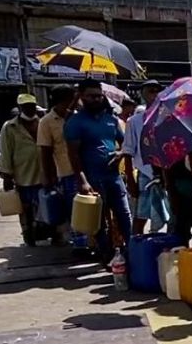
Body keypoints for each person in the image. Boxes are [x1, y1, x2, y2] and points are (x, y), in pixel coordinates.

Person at [65, 77, 132, 258]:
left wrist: (120, 154)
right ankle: (106, 256)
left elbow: (125, 144)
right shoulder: (75, 122)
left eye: (99, 96)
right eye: (91, 96)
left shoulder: (111, 120)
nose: (96, 99)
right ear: (82, 97)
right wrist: (83, 182)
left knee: (124, 215)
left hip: (114, 177)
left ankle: (132, 253)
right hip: (92, 178)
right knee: (98, 222)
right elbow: (73, 155)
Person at [38, 85, 84, 248]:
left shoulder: (79, 117)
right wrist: (48, 177)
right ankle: (79, 243)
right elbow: (46, 152)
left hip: (86, 170)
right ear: (63, 101)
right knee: (74, 210)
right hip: (66, 172)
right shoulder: (46, 122)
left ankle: (90, 241)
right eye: (73, 100)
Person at [122, 80, 169, 235]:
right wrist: (130, 180)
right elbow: (127, 152)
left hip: (167, 174)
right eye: (150, 91)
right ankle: (136, 245)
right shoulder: (134, 121)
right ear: (143, 94)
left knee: (172, 215)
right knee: (140, 216)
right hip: (146, 174)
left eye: (157, 91)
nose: (154, 94)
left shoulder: (167, 117)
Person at [0, 94, 46, 247]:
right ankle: (28, 234)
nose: (30, 109)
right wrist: (7, 175)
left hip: (43, 172)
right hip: (23, 173)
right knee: (25, 208)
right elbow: (6, 151)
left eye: (32, 106)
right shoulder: (10, 127)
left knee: (46, 204)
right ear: (20, 108)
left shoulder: (42, 123)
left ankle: (48, 233)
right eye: (26, 106)